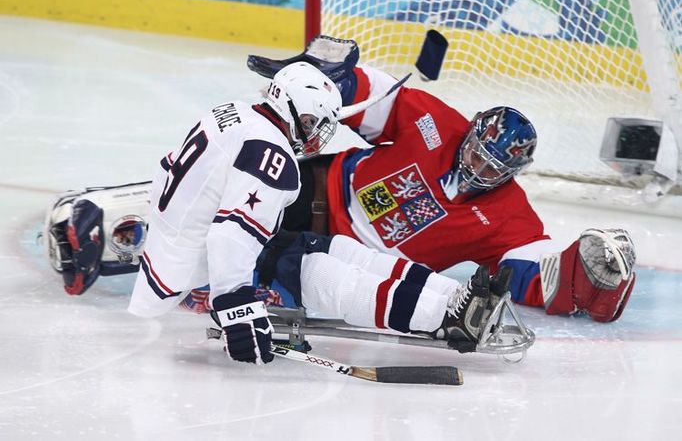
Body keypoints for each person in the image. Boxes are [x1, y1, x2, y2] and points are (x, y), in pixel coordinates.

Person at [44, 60, 512, 364]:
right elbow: (231, 239)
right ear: (291, 109)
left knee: (331, 247)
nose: (316, 135)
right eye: (313, 122)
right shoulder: (272, 156)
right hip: (198, 270)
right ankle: (440, 315)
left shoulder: (234, 111)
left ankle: (452, 296)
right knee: (318, 271)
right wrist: (236, 308)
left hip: (184, 245)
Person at [247, 35, 637, 323]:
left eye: (493, 168)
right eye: (476, 154)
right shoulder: (436, 122)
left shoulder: (510, 217)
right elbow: (373, 98)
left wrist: (583, 279)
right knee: (242, 186)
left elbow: (533, 276)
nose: (478, 169)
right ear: (469, 133)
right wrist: (329, 80)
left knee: (264, 261)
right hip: (317, 186)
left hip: (347, 255)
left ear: (513, 173)